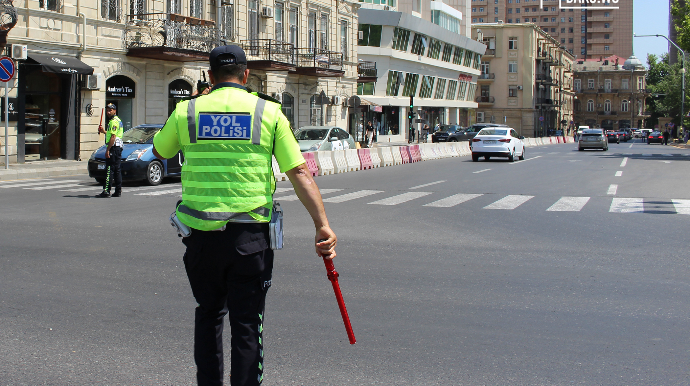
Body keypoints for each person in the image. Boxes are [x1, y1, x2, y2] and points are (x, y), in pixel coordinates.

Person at [152, 45, 337, 386]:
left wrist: (196, 102)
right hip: (250, 240)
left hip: (201, 241)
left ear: (209, 76)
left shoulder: (187, 111)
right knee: (248, 324)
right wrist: (322, 226)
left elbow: (160, 150)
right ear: (246, 75)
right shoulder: (268, 112)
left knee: (208, 316)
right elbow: (298, 172)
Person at [96, 103, 123, 198]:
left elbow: (113, 136)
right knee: (117, 170)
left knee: (109, 169)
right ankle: (118, 191)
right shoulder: (118, 120)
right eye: (107, 110)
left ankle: (106, 191)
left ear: (114, 111)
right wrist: (104, 131)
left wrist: (108, 150)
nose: (108, 112)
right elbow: (113, 133)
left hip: (114, 147)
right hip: (118, 147)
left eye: (110, 110)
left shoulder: (113, 122)